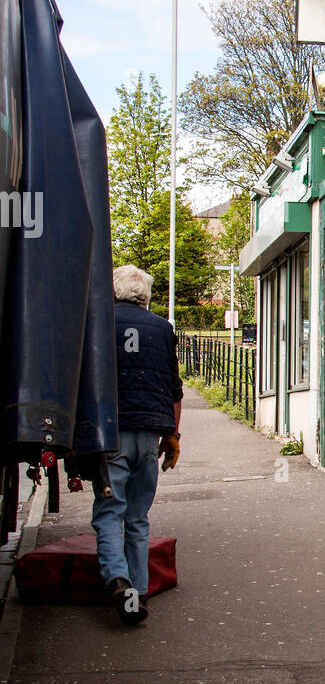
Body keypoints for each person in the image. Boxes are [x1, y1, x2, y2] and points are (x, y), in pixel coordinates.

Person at [91, 266, 182, 624]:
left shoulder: (99, 324)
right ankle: (138, 593)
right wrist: (173, 434)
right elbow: (175, 388)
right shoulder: (163, 329)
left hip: (111, 433)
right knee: (138, 517)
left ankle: (119, 581)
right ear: (146, 297)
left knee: (110, 512)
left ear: (113, 293)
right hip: (149, 433)